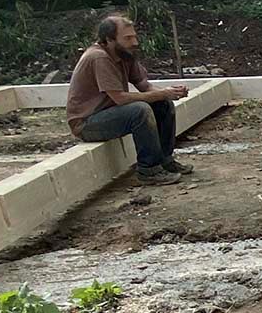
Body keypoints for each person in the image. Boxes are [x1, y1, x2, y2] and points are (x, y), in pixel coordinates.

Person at [66, 14, 192, 186]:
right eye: (127, 38)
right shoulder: (99, 57)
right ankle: (149, 170)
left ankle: (165, 160)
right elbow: (119, 98)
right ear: (109, 39)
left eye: (134, 36)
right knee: (140, 110)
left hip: (109, 115)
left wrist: (169, 93)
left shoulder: (125, 55)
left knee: (162, 104)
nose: (135, 42)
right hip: (87, 123)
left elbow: (145, 86)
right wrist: (162, 94)